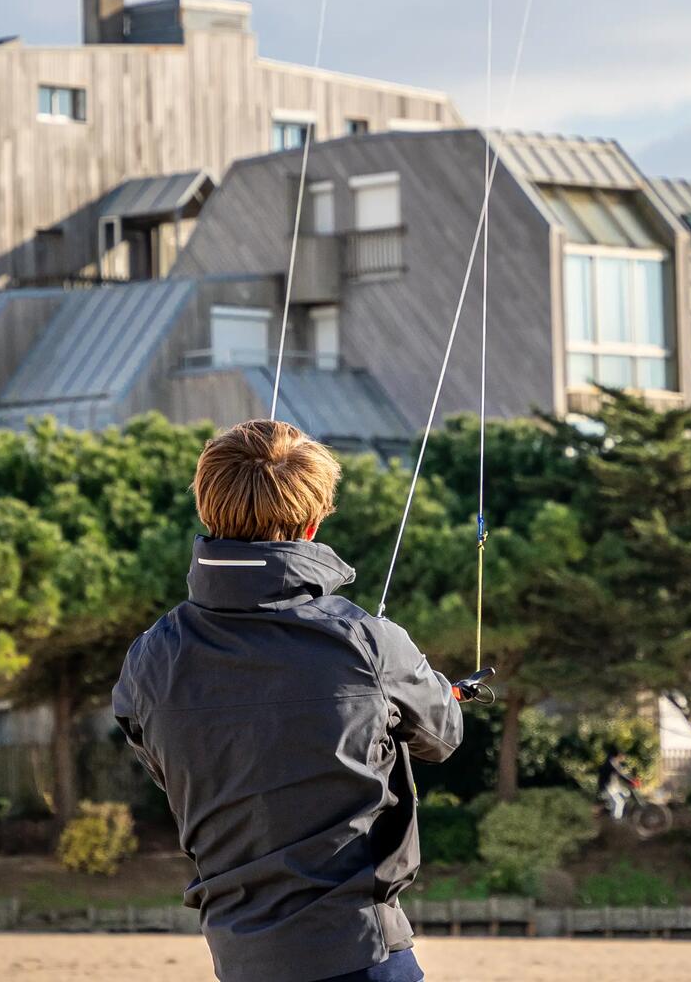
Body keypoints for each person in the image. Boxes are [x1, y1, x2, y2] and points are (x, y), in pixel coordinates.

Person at [114, 419, 464, 982]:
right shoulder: (368, 640)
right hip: (361, 952)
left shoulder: (149, 656)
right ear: (313, 521)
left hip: (239, 958)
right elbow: (443, 737)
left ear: (207, 511)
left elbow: (167, 764)